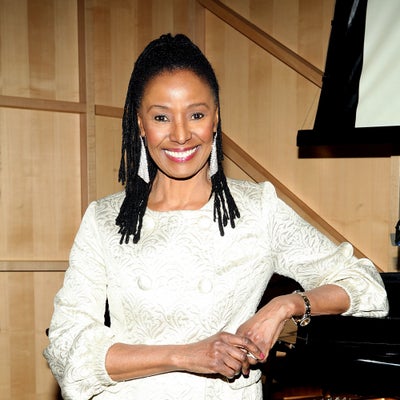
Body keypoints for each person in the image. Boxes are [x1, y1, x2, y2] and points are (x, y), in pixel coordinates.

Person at [44, 33, 388, 400]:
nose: (180, 135)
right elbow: (68, 348)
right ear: (141, 124)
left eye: (196, 114)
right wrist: (186, 355)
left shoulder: (258, 209)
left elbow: (366, 286)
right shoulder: (104, 219)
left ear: (215, 118)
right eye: (161, 117)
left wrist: (285, 306)